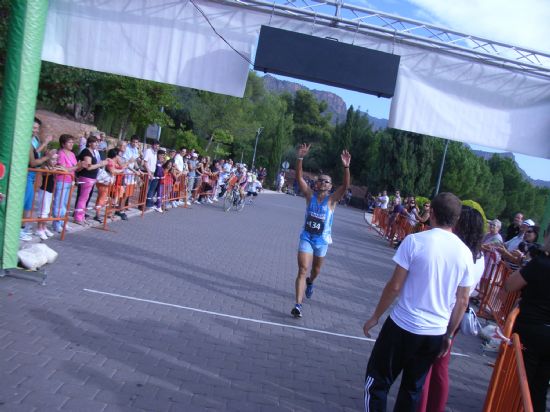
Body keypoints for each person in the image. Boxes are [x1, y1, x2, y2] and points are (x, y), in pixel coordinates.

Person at [363, 192, 474, 411]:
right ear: (457, 218)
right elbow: (462, 300)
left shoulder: (415, 241)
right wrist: (449, 335)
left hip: (403, 325)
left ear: (431, 213)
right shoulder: (465, 253)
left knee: (378, 380)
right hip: (434, 332)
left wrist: (376, 316)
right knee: (412, 389)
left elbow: (395, 286)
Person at [418, 205, 485, 412]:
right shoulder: (478, 257)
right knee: (440, 366)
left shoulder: (458, 253)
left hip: (440, 313)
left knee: (424, 368)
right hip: (454, 316)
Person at [290, 143, 351, 318]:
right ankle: (298, 305)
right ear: (316, 184)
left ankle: (311, 282)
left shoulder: (332, 200)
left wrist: (346, 167)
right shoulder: (310, 196)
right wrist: (300, 158)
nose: (322, 182)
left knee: (315, 271)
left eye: (326, 181)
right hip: (307, 237)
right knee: (302, 269)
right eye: (320, 180)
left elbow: (346, 186)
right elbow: (299, 177)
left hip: (322, 241)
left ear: (331, 186)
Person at [504, 223, 550, 412]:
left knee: (518, 384)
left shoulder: (540, 264)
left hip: (530, 330)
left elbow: (509, 285)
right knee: (539, 388)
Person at [74, 136, 107, 225]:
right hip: (86, 177)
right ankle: (78, 217)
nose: (97, 144)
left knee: (86, 198)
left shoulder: (93, 152)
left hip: (92, 177)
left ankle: (82, 216)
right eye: (95, 142)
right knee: (82, 198)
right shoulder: (87, 152)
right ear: (89, 143)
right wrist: (100, 164)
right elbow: (88, 167)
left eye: (97, 142)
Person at [52, 134, 79, 233]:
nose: (72, 144)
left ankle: (63, 221)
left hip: (69, 180)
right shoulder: (61, 153)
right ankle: (56, 223)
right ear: (63, 144)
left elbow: (75, 166)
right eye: (69, 142)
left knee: (65, 203)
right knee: (59, 202)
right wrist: (76, 167)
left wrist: (80, 166)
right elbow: (63, 169)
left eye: (72, 142)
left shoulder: (72, 154)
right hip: (61, 180)